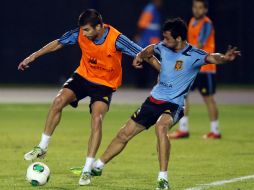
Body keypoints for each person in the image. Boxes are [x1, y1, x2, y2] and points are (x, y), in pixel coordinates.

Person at [70, 18, 240, 189]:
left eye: (167, 38)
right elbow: (150, 49)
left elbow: (214, 58)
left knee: (161, 127)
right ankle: (97, 167)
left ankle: (163, 178)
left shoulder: (194, 55)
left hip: (173, 104)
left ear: (179, 39)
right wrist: (139, 56)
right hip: (153, 100)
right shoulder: (164, 46)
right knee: (123, 134)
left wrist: (225, 57)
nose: (164, 41)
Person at [18, 9, 159, 186]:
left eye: (87, 30)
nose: (83, 34)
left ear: (99, 27)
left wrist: (164, 73)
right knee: (59, 101)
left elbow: (145, 53)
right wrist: (33, 56)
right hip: (83, 76)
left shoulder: (116, 39)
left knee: (96, 119)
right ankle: (42, 147)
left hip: (104, 85)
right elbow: (58, 43)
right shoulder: (80, 34)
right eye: (82, 30)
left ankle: (86, 170)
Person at [169, 0, 220, 139]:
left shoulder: (206, 24)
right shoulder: (192, 21)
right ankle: (183, 129)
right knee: (183, 97)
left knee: (208, 98)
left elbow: (199, 44)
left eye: (200, 8)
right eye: (195, 7)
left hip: (206, 68)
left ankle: (215, 131)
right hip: (192, 67)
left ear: (205, 10)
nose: (197, 10)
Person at [135, 0, 163, 87]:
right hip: (147, 41)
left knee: (152, 64)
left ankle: (148, 84)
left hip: (153, 41)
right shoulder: (149, 9)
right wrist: (139, 36)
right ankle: (141, 85)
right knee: (146, 63)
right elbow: (141, 25)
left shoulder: (155, 9)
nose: (160, 2)